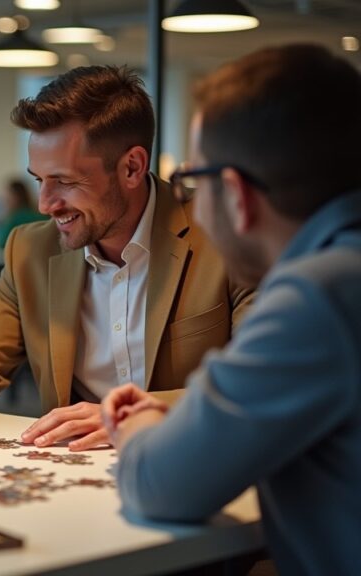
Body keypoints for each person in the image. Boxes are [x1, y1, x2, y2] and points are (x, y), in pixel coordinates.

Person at [0, 65, 254, 446]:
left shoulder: (227, 235)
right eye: (39, 180)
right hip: (73, 474)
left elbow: (259, 382)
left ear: (132, 167)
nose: (45, 204)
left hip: (200, 462)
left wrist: (131, 417)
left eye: (65, 182)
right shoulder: (30, 250)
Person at [103, 44, 361, 575]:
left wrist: (142, 420)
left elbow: (160, 483)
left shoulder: (318, 296)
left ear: (238, 196)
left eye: (195, 184)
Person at [0, 177, 47, 248]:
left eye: (7, 198)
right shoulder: (38, 213)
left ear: (16, 197)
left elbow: (1, 243)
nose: (4, 202)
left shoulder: (16, 217)